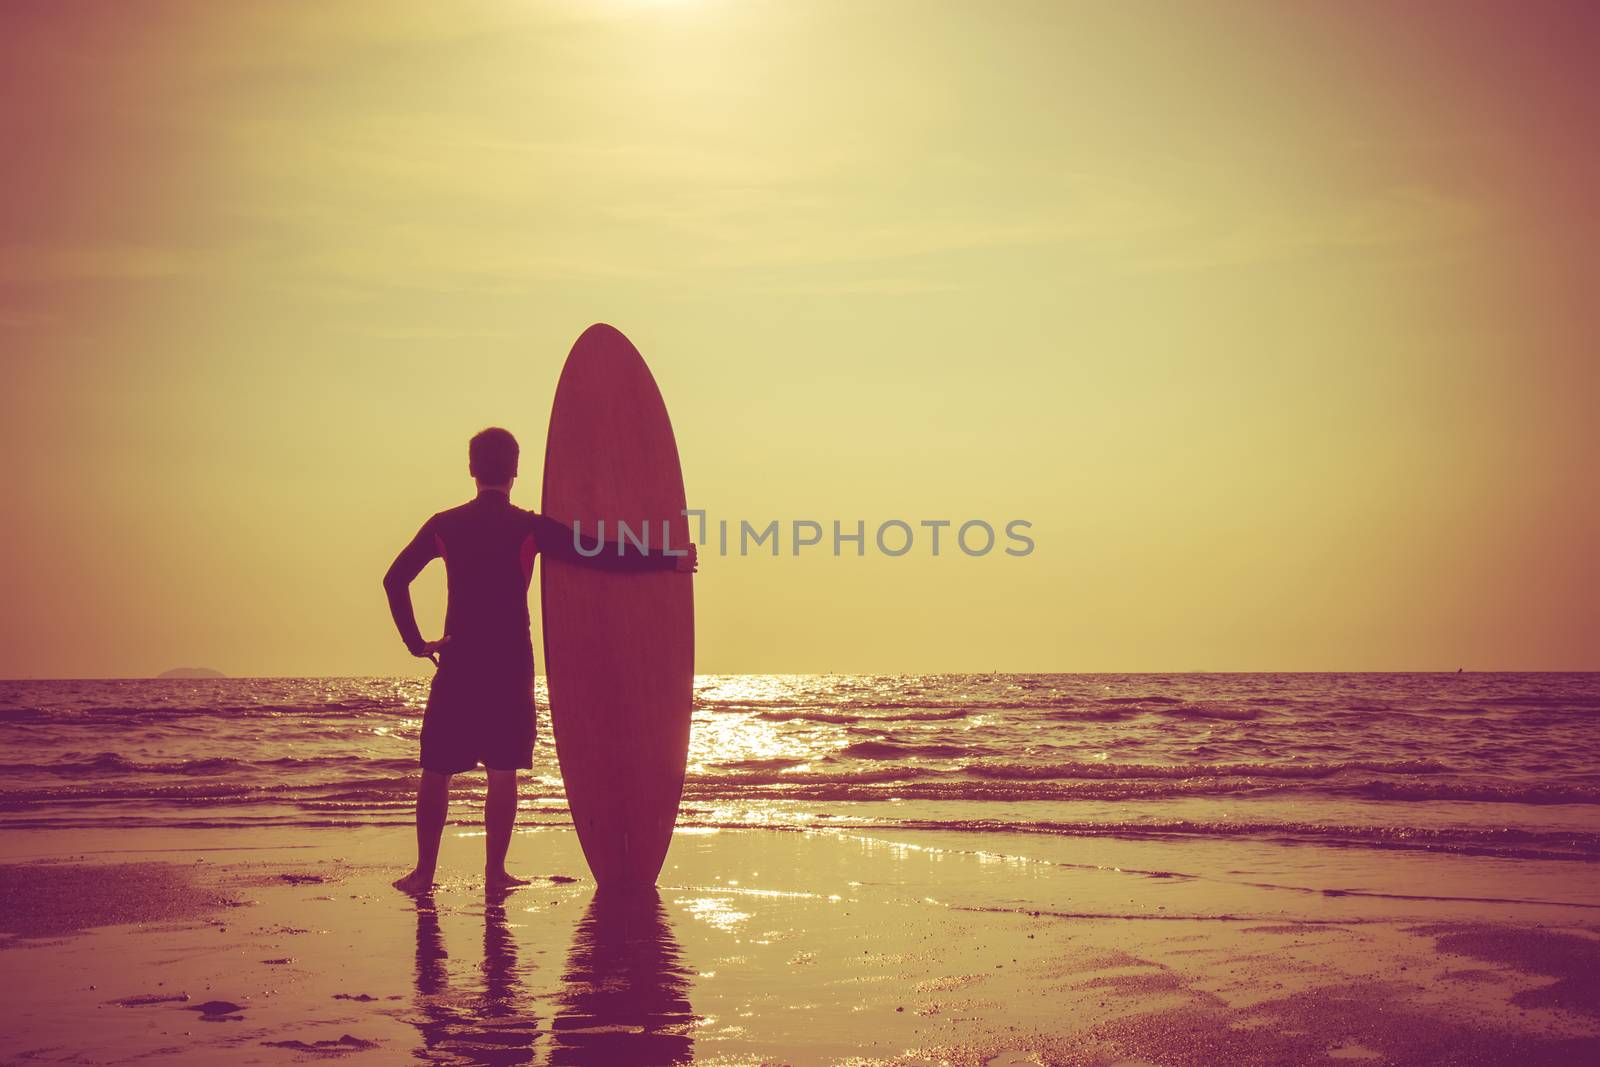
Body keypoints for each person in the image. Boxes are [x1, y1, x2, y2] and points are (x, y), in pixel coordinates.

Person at [383, 427, 696, 893]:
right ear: (514, 471)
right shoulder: (527, 527)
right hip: (509, 665)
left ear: (472, 469)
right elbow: (599, 553)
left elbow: (395, 580)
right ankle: (494, 874)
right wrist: (666, 558)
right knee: (502, 769)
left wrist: (417, 643)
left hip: (459, 661)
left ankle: (424, 874)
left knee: (436, 767)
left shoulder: (444, 525)